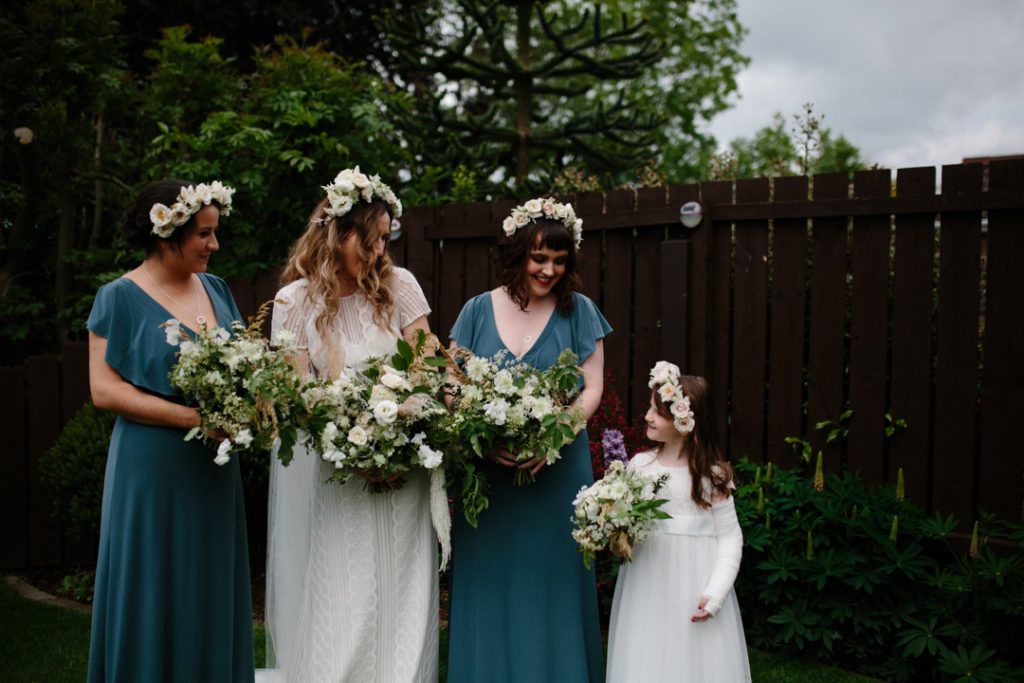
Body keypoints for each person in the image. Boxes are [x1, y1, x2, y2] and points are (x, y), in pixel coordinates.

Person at [261, 167, 437, 682]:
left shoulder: (399, 285)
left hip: (405, 467)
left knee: (404, 587)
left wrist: (402, 433)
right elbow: (295, 395)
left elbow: (427, 362)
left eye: (387, 238)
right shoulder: (295, 302)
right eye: (372, 237)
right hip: (339, 470)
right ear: (339, 232)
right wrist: (352, 451)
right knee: (345, 589)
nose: (381, 250)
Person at [86, 179, 255, 682]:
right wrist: (194, 419)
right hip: (151, 464)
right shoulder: (117, 296)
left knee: (206, 581)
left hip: (213, 467)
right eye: (204, 234)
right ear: (167, 234)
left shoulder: (217, 288)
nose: (214, 244)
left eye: (215, 233)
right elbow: (104, 390)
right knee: (152, 581)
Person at [446, 197, 610, 682]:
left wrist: (553, 438)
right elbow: (452, 381)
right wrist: (478, 428)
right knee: (491, 583)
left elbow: (594, 386)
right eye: (540, 258)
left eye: (560, 261)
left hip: (558, 472)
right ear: (519, 252)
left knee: (554, 581)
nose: (549, 270)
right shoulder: (477, 309)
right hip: (489, 480)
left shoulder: (579, 311)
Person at [606, 363, 751, 682]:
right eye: (649, 408)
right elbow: (626, 525)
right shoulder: (640, 466)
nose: (647, 416)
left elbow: (730, 539)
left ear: (686, 420)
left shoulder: (711, 476)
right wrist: (617, 537)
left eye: (658, 412)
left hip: (694, 586)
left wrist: (716, 592)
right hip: (648, 586)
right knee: (648, 657)